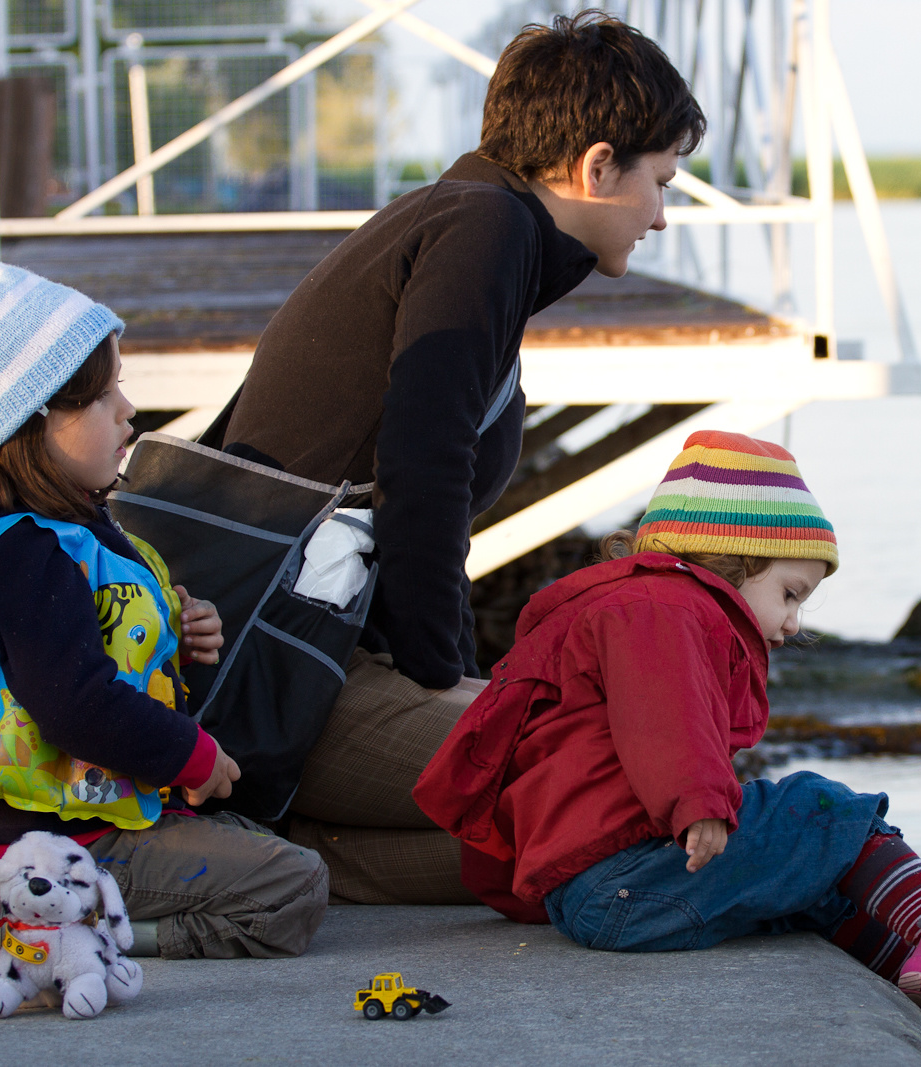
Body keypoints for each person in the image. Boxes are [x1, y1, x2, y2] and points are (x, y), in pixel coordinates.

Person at [212, 11, 707, 904]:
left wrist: (459, 686)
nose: (662, 217)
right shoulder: (484, 233)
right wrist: (446, 681)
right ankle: (244, 832)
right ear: (597, 167)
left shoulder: (473, 219)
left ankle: (261, 844)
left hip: (311, 662)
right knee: (625, 788)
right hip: (290, 673)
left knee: (610, 834)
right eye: (661, 183)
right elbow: (424, 470)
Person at [413, 431, 921, 1067]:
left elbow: (544, 759)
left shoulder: (624, 609)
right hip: (626, 879)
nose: (793, 623)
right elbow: (664, 715)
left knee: (814, 879)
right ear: (733, 559)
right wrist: (697, 800)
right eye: (789, 594)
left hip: (596, 889)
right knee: (824, 811)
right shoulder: (659, 608)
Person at [0, 260, 330, 959]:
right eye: (101, 396)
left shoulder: (65, 519)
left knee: (263, 841)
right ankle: (56, 932)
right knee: (291, 885)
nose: (127, 408)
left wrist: (174, 638)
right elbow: (74, 702)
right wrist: (191, 754)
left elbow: (75, 649)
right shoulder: (23, 552)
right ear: (32, 420)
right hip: (66, 836)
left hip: (79, 814)